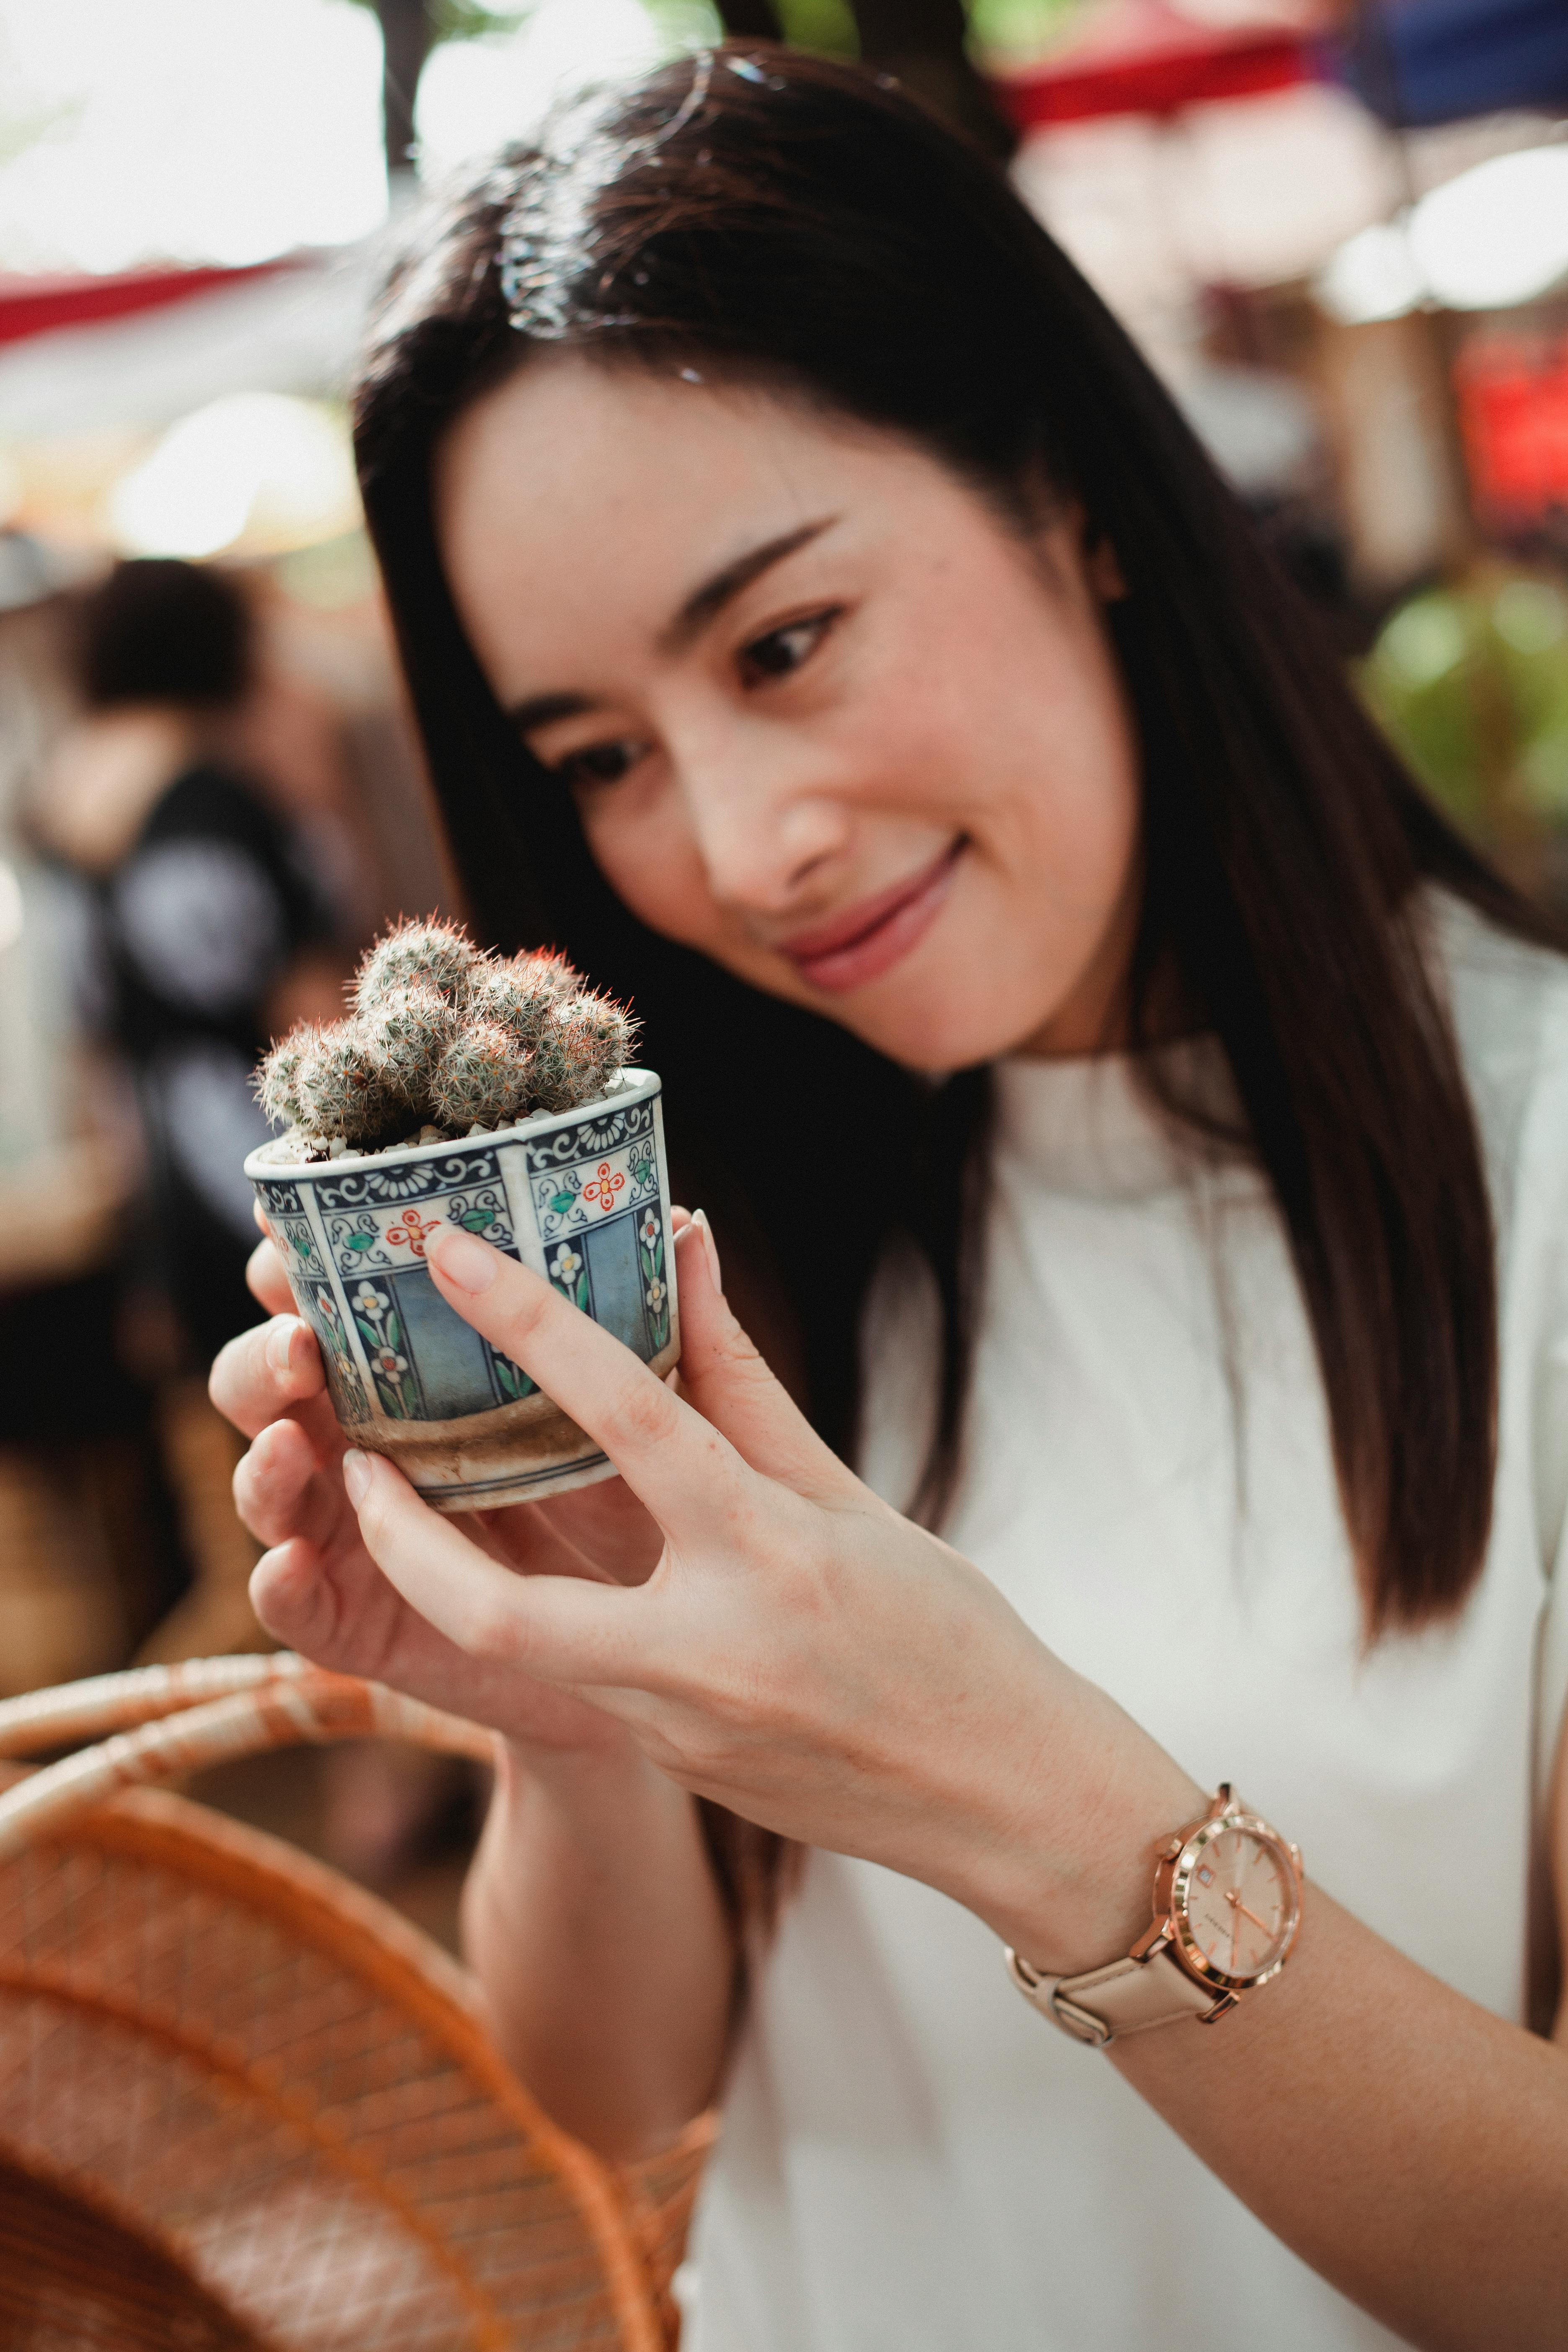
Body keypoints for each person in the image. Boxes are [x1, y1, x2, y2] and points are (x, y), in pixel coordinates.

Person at [212, 49, 1568, 2352]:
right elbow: (616, 2080)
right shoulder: (717, 1226)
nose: (737, 855)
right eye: (601, 761)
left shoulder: (1530, 1160)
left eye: (783, 644)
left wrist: (1017, 1794)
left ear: (1074, 494)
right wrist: (559, 1703)